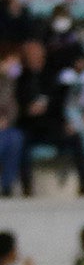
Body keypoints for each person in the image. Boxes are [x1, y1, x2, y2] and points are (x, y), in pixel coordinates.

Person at [15, 37, 84, 196]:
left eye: (37, 53)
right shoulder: (21, 78)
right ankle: (27, 188)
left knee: (76, 138)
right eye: (31, 54)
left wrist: (62, 119)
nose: (35, 56)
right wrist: (28, 109)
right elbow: (19, 102)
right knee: (21, 143)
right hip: (30, 127)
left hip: (51, 125)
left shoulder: (51, 76)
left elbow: (59, 101)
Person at [0, 43, 23, 196]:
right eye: (12, 62)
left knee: (16, 138)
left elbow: (12, 108)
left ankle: (6, 185)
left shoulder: (11, 83)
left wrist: (6, 119)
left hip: (5, 127)